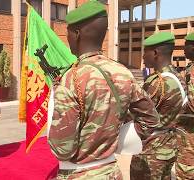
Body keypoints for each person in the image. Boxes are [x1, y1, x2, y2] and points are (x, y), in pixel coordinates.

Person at [47, 1, 161, 179]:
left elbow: (63, 150)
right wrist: (118, 140)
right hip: (112, 172)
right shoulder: (123, 72)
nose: (66, 38)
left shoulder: (71, 78)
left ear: (76, 34)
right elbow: (151, 120)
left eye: (68, 32)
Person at [130, 32, 187, 179]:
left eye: (145, 52)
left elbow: (138, 113)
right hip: (169, 145)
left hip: (150, 150)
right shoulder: (178, 77)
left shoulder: (157, 81)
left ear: (155, 53)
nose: (143, 57)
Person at [175, 32, 194, 179]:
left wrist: (176, 109)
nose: (183, 50)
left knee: (186, 171)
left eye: (185, 46)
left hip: (190, 131)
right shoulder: (189, 67)